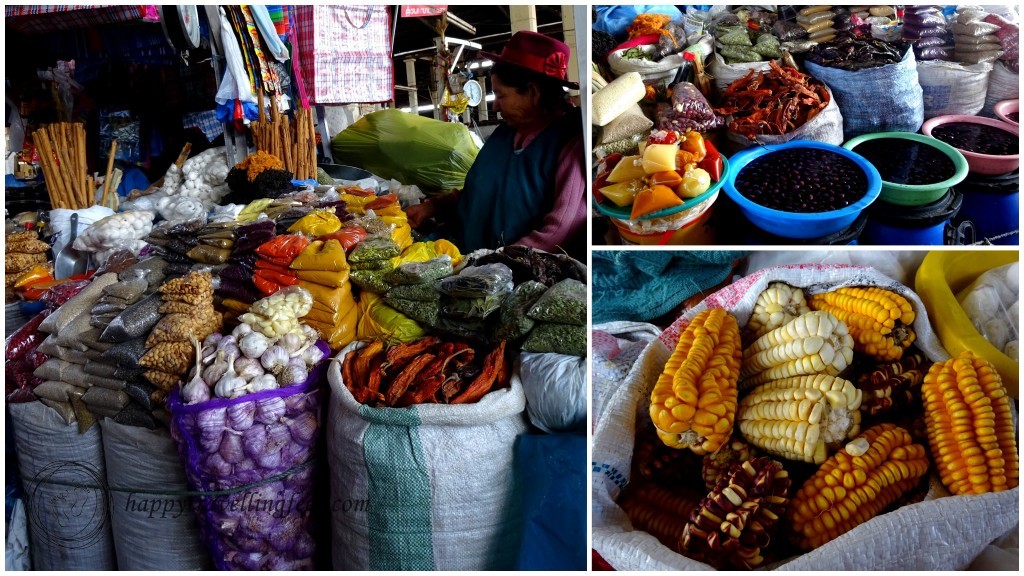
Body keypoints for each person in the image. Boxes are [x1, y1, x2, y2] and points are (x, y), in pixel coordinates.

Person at [406, 31, 586, 259]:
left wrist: (498, 262)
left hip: (514, 276)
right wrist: (431, 207)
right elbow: (480, 191)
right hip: (467, 259)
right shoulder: (505, 133)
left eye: (500, 96)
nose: (495, 107)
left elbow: (561, 228)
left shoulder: (569, 140)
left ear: (533, 92)